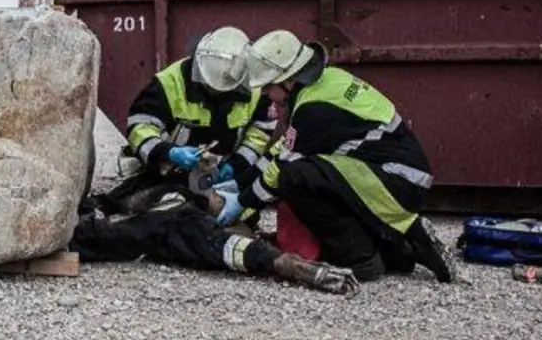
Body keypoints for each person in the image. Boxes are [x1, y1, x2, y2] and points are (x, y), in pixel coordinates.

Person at [220, 30, 454, 283]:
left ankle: (361, 260)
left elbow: (282, 166)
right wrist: (241, 181)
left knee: (295, 178)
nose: (265, 94)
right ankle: (401, 251)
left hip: (394, 182)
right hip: (394, 177)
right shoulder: (327, 82)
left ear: (287, 80)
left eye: (267, 87)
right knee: (309, 174)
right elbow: (285, 147)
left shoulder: (313, 109)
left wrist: (242, 202)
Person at [93, 26, 276, 215]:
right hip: (169, 172)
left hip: (224, 176)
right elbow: (140, 126)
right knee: (143, 206)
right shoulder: (170, 83)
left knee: (234, 212)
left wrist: (237, 164)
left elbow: (260, 132)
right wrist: (169, 153)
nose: (216, 93)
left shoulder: (254, 88)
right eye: (210, 87)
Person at [71, 181, 360, 295]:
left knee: (103, 237)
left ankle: (294, 266)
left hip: (142, 232)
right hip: (144, 227)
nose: (216, 194)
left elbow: (230, 248)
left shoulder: (197, 224)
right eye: (217, 194)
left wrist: (284, 263)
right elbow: (126, 198)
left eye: (221, 197)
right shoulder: (180, 196)